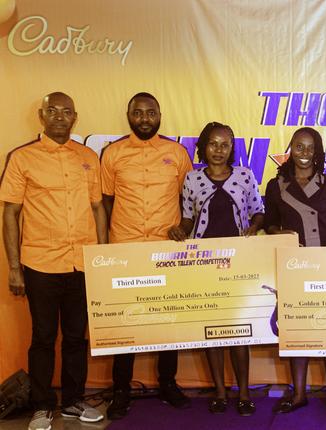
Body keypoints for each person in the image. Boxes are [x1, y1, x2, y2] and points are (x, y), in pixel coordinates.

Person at [0, 92, 108, 430]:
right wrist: (14, 267)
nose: (60, 117)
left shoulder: (88, 157)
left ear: (75, 117)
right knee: (44, 338)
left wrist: (101, 257)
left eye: (66, 112)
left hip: (82, 263)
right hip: (40, 264)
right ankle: (42, 406)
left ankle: (74, 401)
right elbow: (10, 213)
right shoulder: (22, 158)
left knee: (77, 337)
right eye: (53, 111)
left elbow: (97, 208)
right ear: (41, 115)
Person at [101, 92, 194, 420]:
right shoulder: (112, 154)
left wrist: (183, 226)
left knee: (167, 321)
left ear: (159, 115)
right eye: (138, 113)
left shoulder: (177, 153)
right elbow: (106, 201)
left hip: (165, 251)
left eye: (150, 113)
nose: (144, 118)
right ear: (128, 115)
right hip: (124, 249)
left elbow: (191, 200)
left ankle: (168, 384)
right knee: (124, 322)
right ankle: (121, 390)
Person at [168, 122, 264, 416]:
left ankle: (244, 393)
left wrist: (253, 227)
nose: (219, 150)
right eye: (213, 143)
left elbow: (258, 211)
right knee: (212, 331)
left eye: (225, 144)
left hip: (237, 264)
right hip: (204, 265)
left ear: (232, 148)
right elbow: (187, 218)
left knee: (238, 332)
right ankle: (220, 392)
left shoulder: (245, 176)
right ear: (203, 147)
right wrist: (179, 230)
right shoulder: (192, 179)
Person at [263, 127, 326, 417]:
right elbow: (270, 224)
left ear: (318, 152)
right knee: (296, 330)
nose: (304, 153)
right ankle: (299, 394)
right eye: (299, 147)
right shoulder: (276, 186)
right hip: (294, 267)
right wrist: (279, 232)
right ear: (291, 148)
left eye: (310, 148)